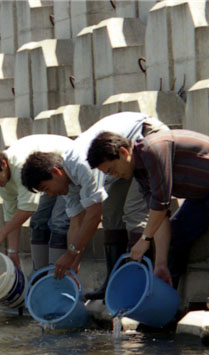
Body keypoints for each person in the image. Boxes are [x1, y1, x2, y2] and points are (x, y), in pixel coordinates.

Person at [85, 129, 209, 311]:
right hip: (202, 195)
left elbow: (161, 202)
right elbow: (159, 215)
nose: (114, 175)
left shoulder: (153, 149)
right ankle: (165, 306)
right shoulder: (139, 173)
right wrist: (160, 264)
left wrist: (144, 240)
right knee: (175, 236)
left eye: (112, 169)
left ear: (123, 152)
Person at [20, 112, 167, 286]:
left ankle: (140, 281)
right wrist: (73, 264)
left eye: (46, 188)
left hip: (147, 136)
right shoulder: (68, 184)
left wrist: (72, 253)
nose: (50, 194)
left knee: (134, 210)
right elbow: (76, 223)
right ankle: (113, 282)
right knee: (111, 211)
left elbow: (93, 216)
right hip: (120, 162)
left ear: (56, 172)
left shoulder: (81, 165)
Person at [0, 135, 73, 271]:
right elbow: (11, 216)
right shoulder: (2, 180)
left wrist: (1, 234)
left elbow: (28, 209)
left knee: (58, 221)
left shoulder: (20, 166)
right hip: (45, 178)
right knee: (37, 221)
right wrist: (13, 252)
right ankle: (40, 274)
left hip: (66, 170)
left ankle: (56, 277)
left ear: (3, 164)